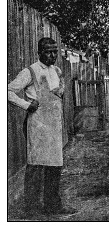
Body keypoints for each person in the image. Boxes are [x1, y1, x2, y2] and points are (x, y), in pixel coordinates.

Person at [8, 37, 76, 218]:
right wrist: (25, 105)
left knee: (55, 165)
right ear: (39, 52)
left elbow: (57, 95)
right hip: (37, 125)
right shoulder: (30, 71)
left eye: (55, 51)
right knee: (36, 166)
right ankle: (31, 209)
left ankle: (52, 206)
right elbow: (8, 91)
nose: (52, 55)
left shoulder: (57, 71)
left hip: (53, 124)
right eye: (48, 51)